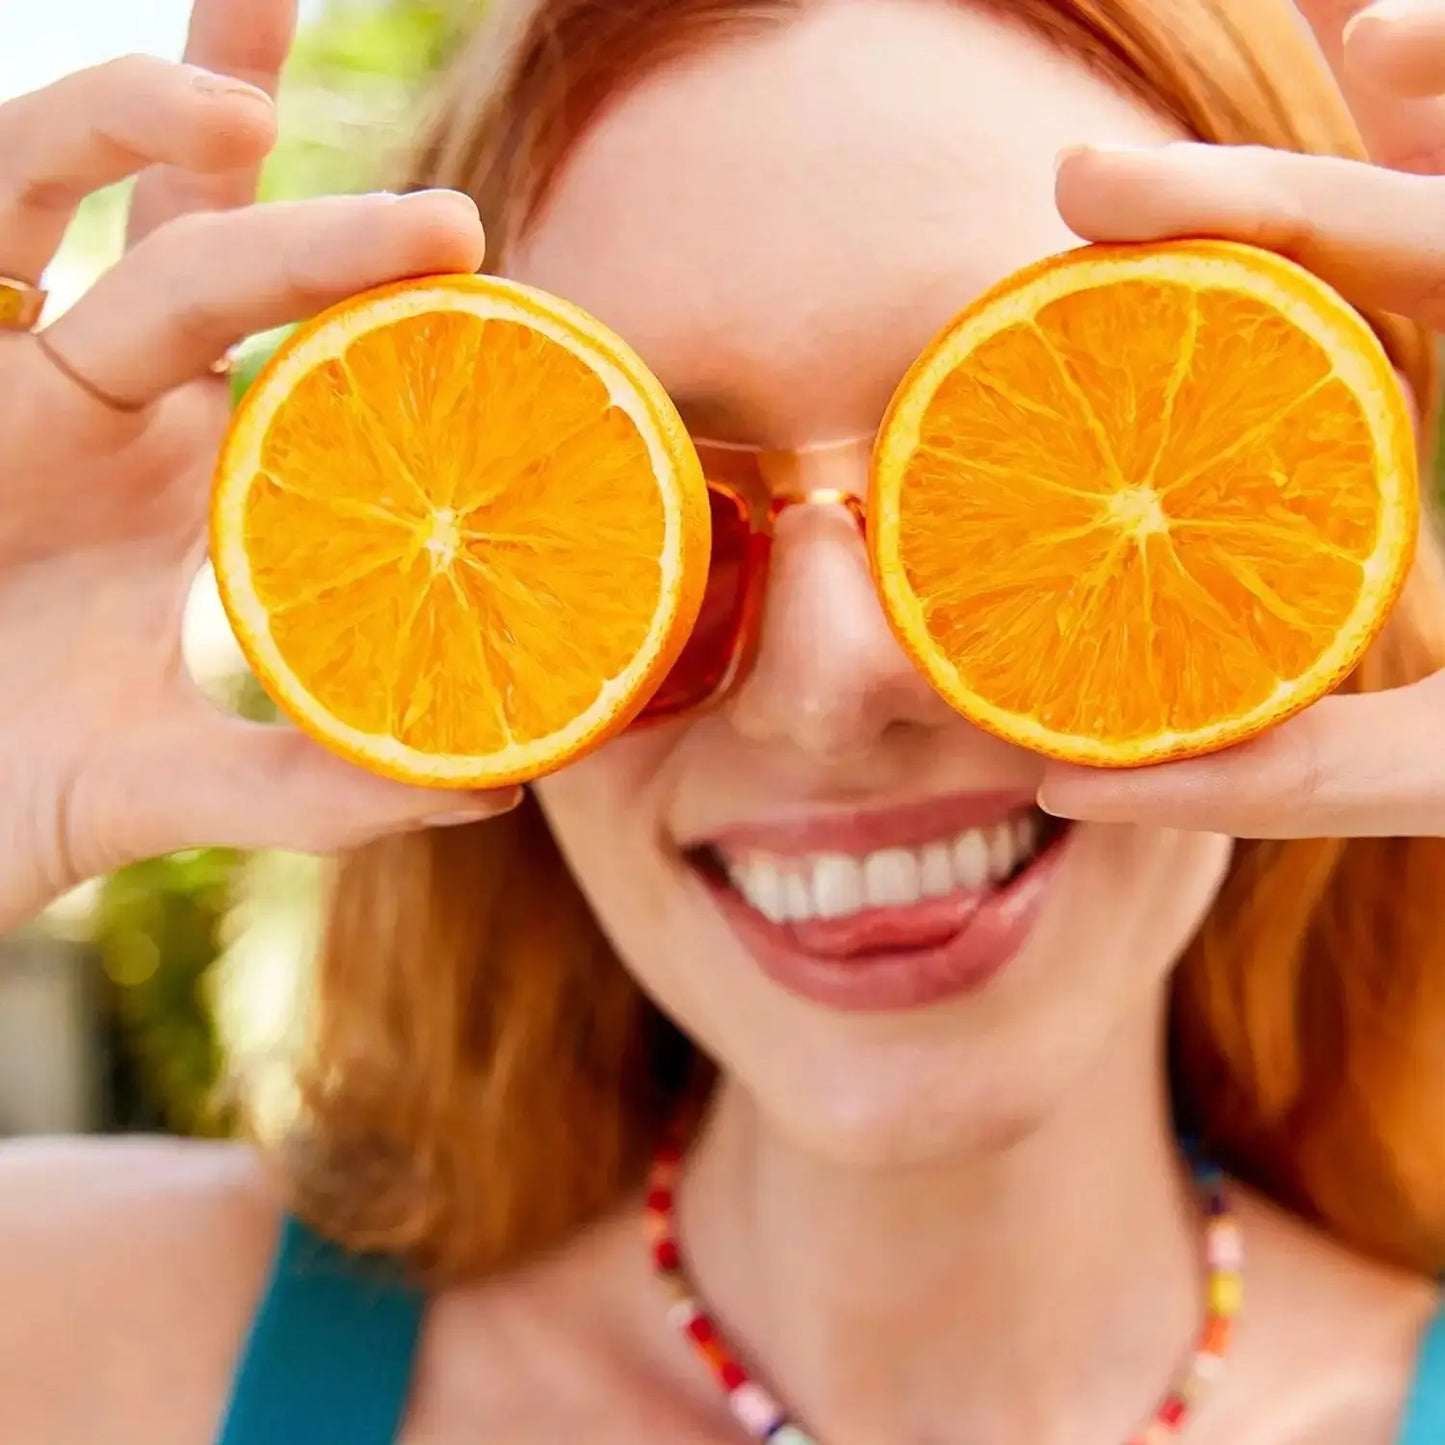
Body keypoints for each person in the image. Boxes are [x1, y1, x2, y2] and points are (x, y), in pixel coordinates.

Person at [4, 0, 1445, 1439]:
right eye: (657, 513)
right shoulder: (72, 1342)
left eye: (1028, 476)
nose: (829, 695)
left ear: (1312, 503)